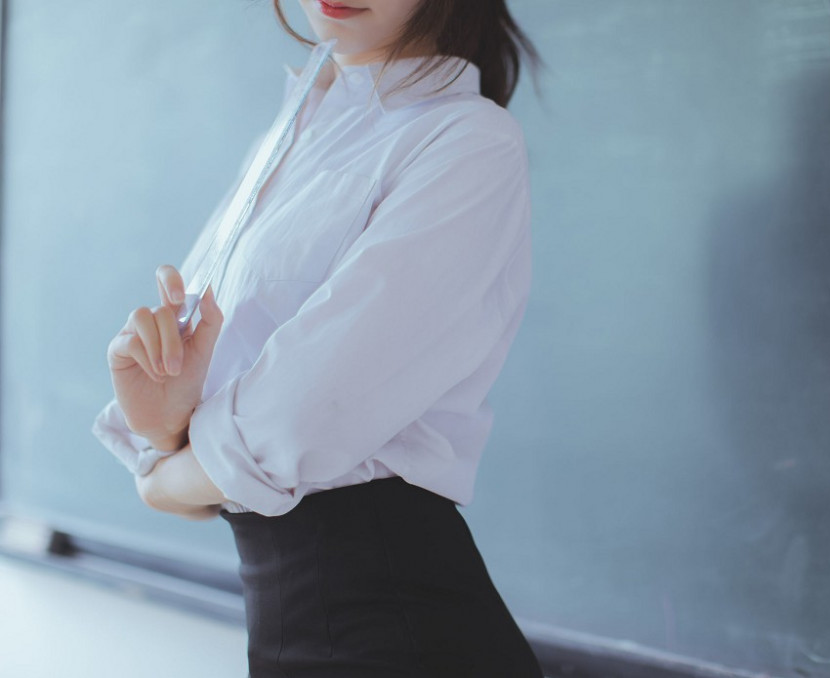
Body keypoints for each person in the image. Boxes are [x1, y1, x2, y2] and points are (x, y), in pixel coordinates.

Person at [91, 1, 544, 675]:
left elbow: (296, 420)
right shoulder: (294, 132)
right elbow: (227, 444)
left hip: (397, 631)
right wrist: (166, 433)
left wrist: (158, 481)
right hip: (290, 625)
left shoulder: (467, 139)